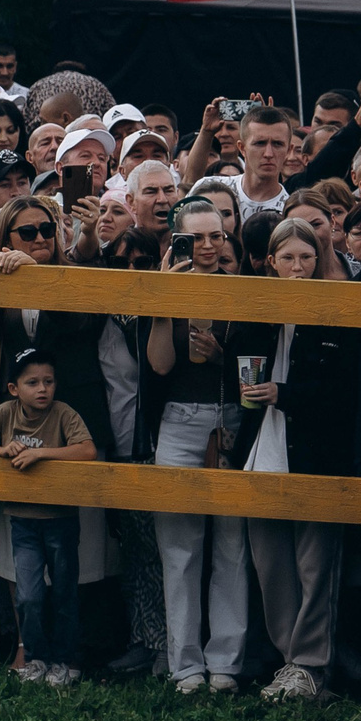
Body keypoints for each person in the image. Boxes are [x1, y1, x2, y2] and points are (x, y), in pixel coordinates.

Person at [228, 219, 358, 703]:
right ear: (270, 262)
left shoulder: (335, 311)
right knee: (270, 563)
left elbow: (345, 391)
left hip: (316, 451)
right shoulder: (256, 308)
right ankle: (289, 664)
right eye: (287, 259)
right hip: (260, 447)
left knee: (315, 563)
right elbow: (234, 364)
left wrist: (286, 394)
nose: (298, 268)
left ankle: (311, 665)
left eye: (306, 258)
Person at [144, 201, 253, 694]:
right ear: (177, 241)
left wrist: (222, 358)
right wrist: (167, 299)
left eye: (217, 236)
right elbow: (161, 365)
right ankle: (185, 665)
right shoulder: (168, 285)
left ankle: (225, 664)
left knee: (231, 543)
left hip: (230, 419)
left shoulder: (242, 288)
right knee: (179, 545)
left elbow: (253, 367)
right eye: (197, 238)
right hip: (180, 419)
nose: (209, 246)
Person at [0, 348, 100, 685]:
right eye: (33, 382)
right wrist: (1, 449)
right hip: (21, 521)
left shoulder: (64, 414)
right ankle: (36, 658)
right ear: (13, 388)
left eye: (49, 382)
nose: (43, 389)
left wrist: (41, 454)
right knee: (28, 595)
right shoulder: (6, 414)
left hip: (61, 520)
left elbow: (87, 450)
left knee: (64, 592)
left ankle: (65, 661)